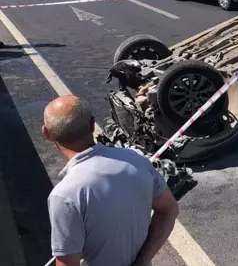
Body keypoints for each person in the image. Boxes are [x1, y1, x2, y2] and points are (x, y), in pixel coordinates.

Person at [43, 95, 179, 266]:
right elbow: (169, 210)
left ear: (46, 133)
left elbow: (67, 263)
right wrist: (143, 260)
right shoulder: (136, 160)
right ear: (93, 124)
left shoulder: (64, 196)